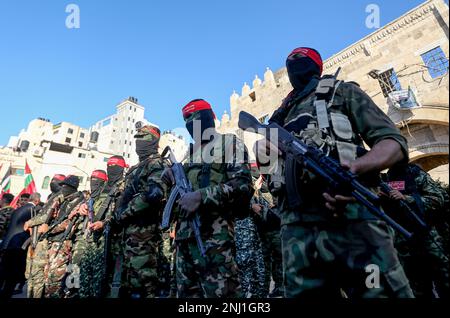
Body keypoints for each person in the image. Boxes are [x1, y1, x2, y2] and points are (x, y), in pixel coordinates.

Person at [256, 47, 414, 298]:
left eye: (302, 58)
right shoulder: (279, 115)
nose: (295, 62)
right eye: (291, 59)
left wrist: (356, 168)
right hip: (297, 235)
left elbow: (393, 143)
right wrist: (263, 150)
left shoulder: (342, 92)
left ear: (317, 66)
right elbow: (266, 173)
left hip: (352, 218)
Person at [166, 99, 253, 298]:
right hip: (183, 243)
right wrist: (169, 180)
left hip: (214, 242)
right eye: (187, 120)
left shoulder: (228, 143)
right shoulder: (187, 159)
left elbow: (242, 185)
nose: (191, 123)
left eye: (195, 118)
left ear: (210, 118)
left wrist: (201, 196)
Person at [114, 123, 168, 298]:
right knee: (126, 284)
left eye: (143, 138)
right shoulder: (135, 169)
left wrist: (124, 212)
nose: (138, 142)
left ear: (154, 140)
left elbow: (154, 194)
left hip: (145, 234)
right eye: (136, 138)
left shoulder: (158, 163)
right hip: (126, 235)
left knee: (143, 285)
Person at [382, 163, 449, 298]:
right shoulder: (383, 179)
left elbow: (437, 199)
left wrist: (407, 198)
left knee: (445, 280)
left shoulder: (414, 173)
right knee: (418, 288)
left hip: (428, 237)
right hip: (403, 244)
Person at [79, 157, 127, 298]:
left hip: (112, 241)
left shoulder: (126, 185)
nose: (111, 168)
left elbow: (124, 213)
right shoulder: (103, 187)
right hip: (93, 240)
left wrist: (105, 223)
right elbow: (91, 202)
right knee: (86, 278)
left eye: (114, 166)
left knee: (104, 283)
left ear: (122, 168)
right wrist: (83, 206)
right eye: (109, 165)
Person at [42, 176, 84, 298]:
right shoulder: (65, 201)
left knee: (55, 279)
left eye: (65, 186)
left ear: (72, 188)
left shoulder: (78, 202)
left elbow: (68, 225)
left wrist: (47, 230)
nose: (63, 189)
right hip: (55, 242)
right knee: (48, 277)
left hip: (65, 244)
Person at [23, 174, 65, 298]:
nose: (53, 183)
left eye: (56, 181)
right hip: (37, 237)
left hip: (44, 239)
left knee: (38, 275)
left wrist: (30, 222)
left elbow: (47, 216)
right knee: (30, 273)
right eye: (52, 180)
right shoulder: (52, 196)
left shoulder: (60, 197)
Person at [251, 168, 284, 298]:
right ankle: (264, 291)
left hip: (276, 227)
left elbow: (277, 200)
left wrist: (270, 206)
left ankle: (280, 287)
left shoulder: (271, 181)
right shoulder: (255, 186)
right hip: (263, 230)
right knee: (264, 262)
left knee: (279, 259)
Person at [0, 195, 35, 298]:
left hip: (7, 243)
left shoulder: (17, 210)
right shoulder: (32, 210)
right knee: (11, 277)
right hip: (18, 246)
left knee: (3, 273)